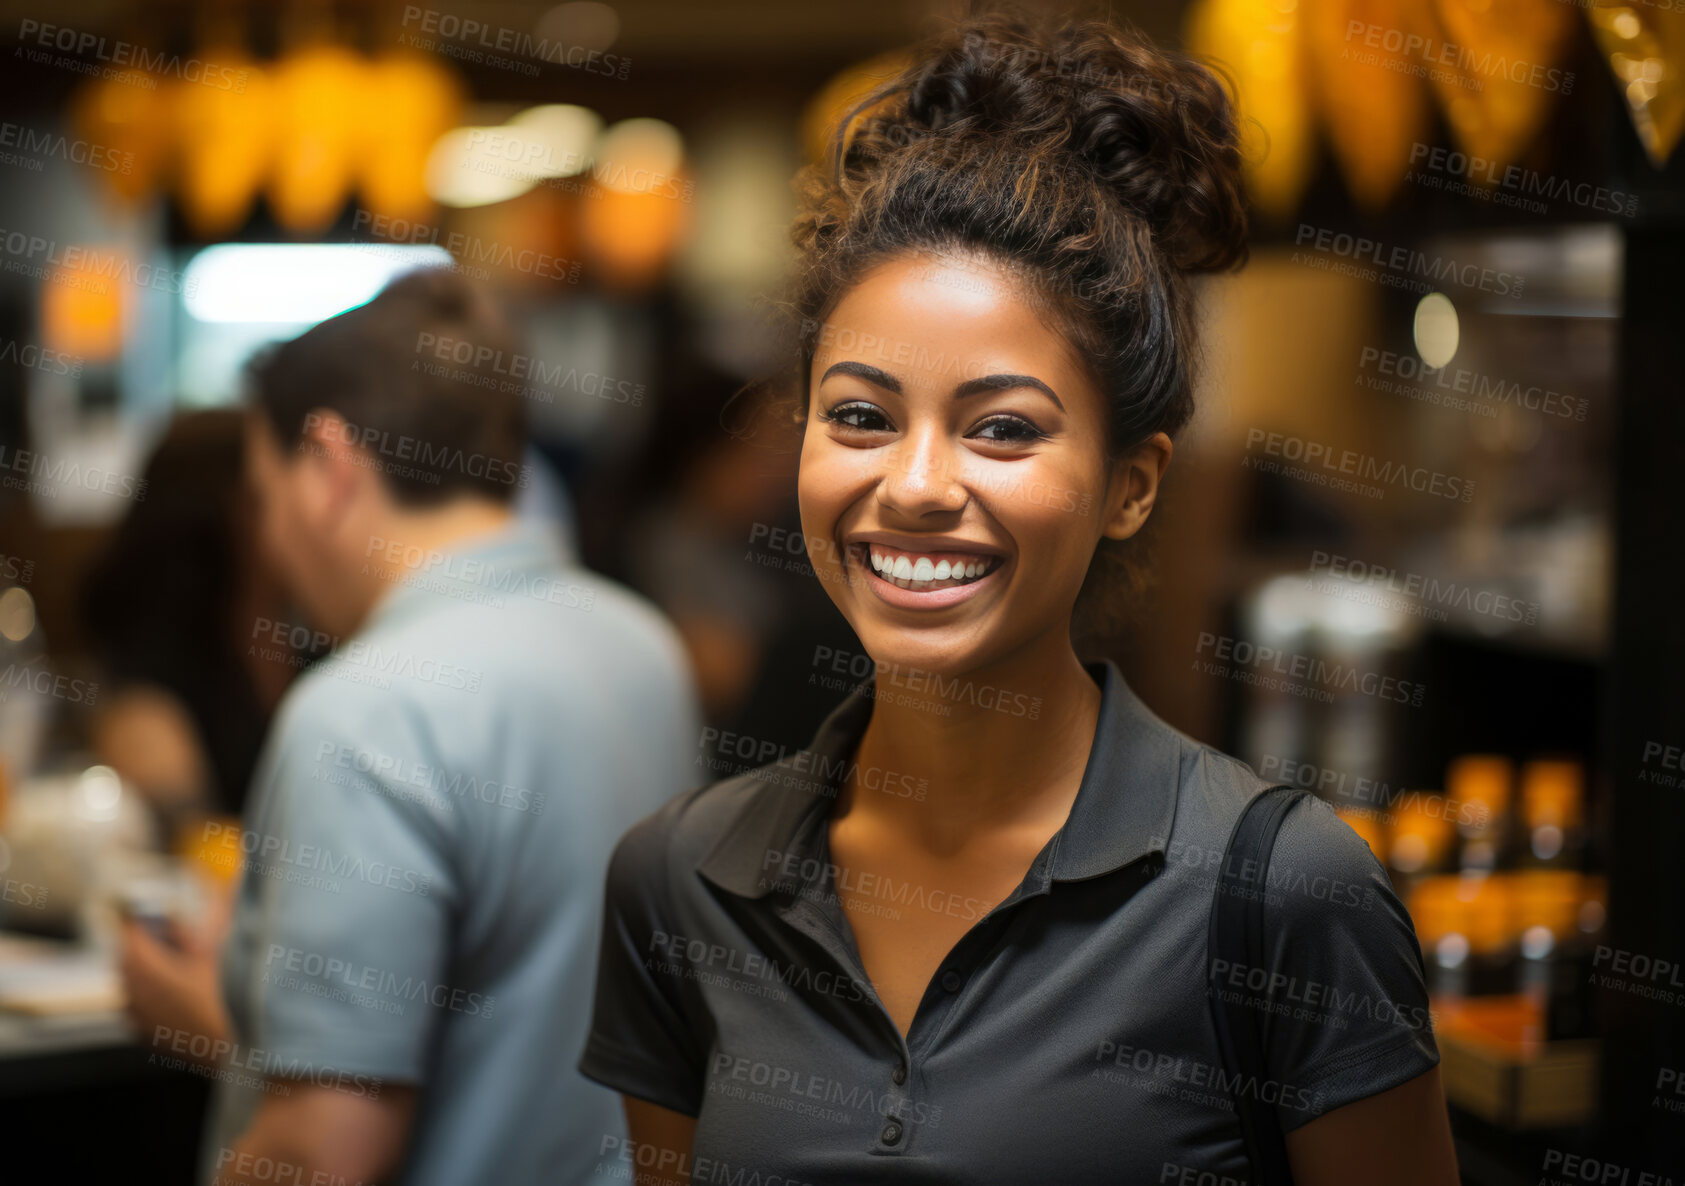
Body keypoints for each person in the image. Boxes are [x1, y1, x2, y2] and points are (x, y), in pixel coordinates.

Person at [578, 14, 1460, 1185]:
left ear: (1128, 486)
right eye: (858, 416)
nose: (915, 486)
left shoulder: (1280, 896)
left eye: (1000, 427)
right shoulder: (680, 880)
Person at [118, 268, 700, 1186]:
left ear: (328, 465)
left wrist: (226, 1025)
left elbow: (325, 1148)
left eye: (265, 495)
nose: (270, 541)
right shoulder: (641, 644)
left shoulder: (364, 711)